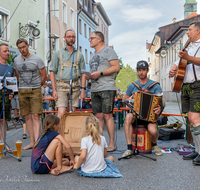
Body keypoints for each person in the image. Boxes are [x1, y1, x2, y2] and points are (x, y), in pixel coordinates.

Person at [169, 21, 200, 165]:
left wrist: (188, 58)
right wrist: (173, 68)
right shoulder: (188, 46)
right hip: (186, 86)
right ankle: (197, 150)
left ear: (198, 31)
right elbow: (178, 61)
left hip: (198, 85)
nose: (187, 32)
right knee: (191, 120)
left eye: (190, 30)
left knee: (195, 119)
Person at [122, 60, 165, 158]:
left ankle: (154, 144)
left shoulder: (155, 86)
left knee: (153, 131)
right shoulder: (132, 86)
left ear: (147, 70)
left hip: (149, 116)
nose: (141, 72)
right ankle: (129, 148)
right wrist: (129, 99)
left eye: (144, 70)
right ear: (137, 71)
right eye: (139, 70)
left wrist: (160, 109)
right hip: (135, 115)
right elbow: (124, 100)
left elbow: (162, 102)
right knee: (128, 117)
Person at [87, 31, 120, 152]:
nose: (89, 40)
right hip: (95, 88)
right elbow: (93, 70)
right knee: (98, 116)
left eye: (91, 38)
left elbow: (116, 67)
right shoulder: (92, 55)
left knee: (107, 116)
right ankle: (100, 142)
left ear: (99, 39)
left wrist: (100, 73)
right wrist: (89, 76)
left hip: (107, 87)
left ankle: (112, 143)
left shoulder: (109, 51)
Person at [14, 38, 47, 150]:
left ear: (28, 45)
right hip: (22, 90)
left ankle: (37, 142)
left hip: (35, 89)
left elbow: (44, 75)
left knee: (36, 115)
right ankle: (32, 142)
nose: (22, 50)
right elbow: (17, 75)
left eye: (23, 47)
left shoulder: (37, 59)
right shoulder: (16, 60)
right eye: (20, 48)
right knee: (27, 116)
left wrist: (38, 85)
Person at [50, 29, 86, 121]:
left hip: (75, 86)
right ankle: (60, 135)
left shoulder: (80, 55)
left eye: (73, 37)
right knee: (61, 113)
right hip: (61, 86)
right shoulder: (58, 53)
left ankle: (70, 135)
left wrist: (83, 90)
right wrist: (54, 90)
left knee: (72, 114)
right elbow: (52, 72)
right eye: (69, 36)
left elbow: (83, 74)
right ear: (64, 38)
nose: (71, 39)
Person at [0, 43, 14, 150]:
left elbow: (12, 83)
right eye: (5, 51)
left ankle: (3, 142)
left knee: (3, 120)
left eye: (8, 51)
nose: (8, 53)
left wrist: (12, 93)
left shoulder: (11, 68)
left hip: (6, 97)